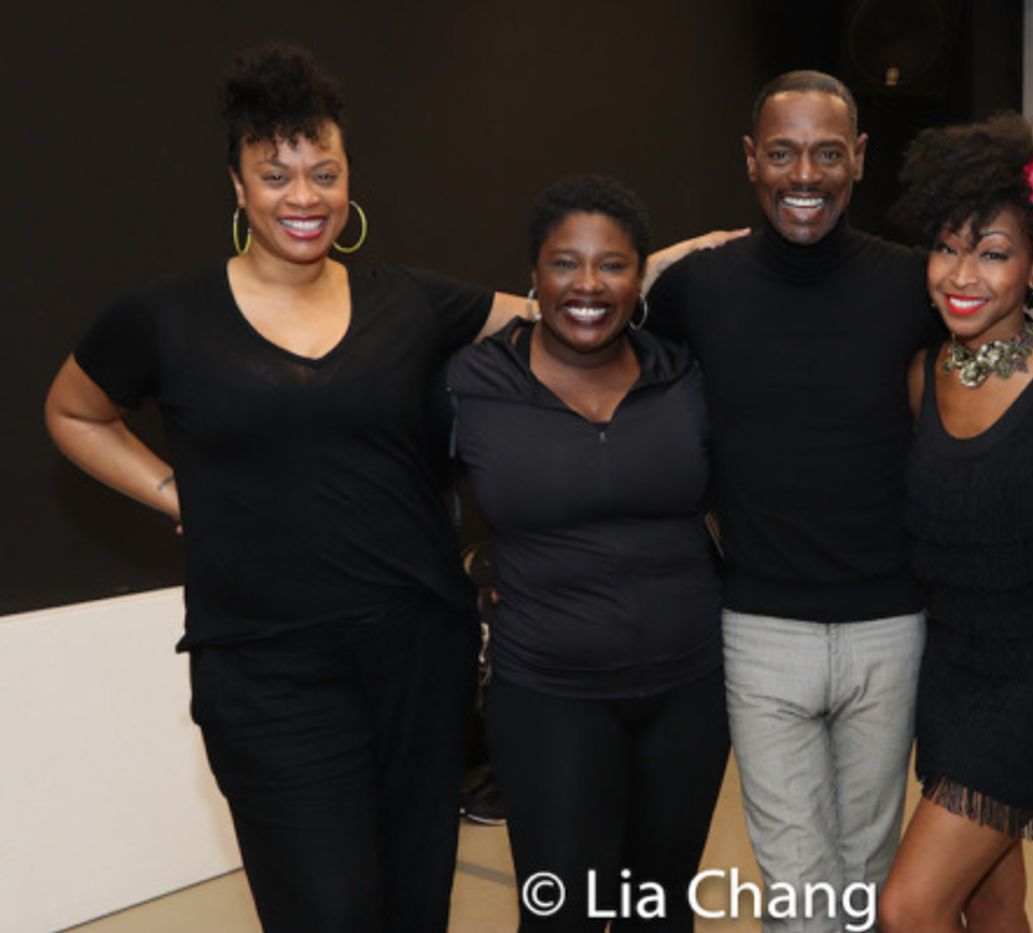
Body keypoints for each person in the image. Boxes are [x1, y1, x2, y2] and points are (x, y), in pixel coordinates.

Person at [42, 43, 536, 933]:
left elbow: (567, 308)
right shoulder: (166, 315)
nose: (303, 196)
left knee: (414, 904)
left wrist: (675, 259)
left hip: (420, 656)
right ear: (238, 187)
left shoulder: (409, 301)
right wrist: (175, 491)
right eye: (275, 175)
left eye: (323, 173)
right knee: (328, 909)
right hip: (265, 671)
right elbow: (74, 412)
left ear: (349, 180)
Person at [647, 71, 939, 928]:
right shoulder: (701, 286)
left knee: (867, 875)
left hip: (890, 627)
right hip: (761, 629)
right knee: (799, 890)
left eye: (826, 153)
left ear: (860, 158)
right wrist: (667, 258)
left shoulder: (912, 284)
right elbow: (591, 315)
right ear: (750, 159)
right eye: (781, 153)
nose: (803, 175)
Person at [446, 175, 729, 932]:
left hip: (690, 693)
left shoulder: (683, 373)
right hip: (548, 696)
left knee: (658, 912)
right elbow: (390, 482)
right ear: (532, 277)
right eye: (565, 263)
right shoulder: (474, 381)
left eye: (613, 265)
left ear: (640, 279)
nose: (588, 285)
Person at [875, 115, 1033, 933]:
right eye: (947, 248)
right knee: (991, 901)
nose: (962, 274)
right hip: (950, 677)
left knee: (908, 908)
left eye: (992, 252)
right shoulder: (924, 374)